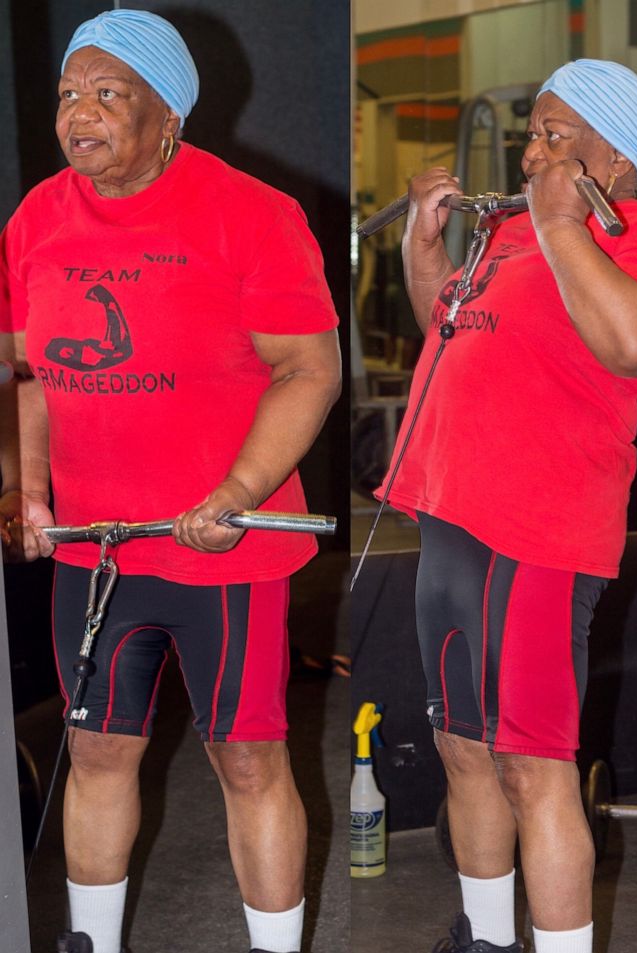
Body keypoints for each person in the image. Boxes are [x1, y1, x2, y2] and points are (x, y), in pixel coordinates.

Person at [0, 11, 341, 953]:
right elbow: (26, 372)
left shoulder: (254, 214)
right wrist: (27, 490)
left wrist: (237, 492)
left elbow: (309, 370)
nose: (81, 115)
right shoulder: (36, 219)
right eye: (71, 92)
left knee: (247, 758)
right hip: (97, 551)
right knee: (101, 750)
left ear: (168, 117)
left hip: (223, 547)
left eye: (110, 95)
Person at [378, 59, 637, 953]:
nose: (531, 155)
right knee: (461, 748)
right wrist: (424, 248)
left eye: (555, 138)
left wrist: (565, 226)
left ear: (615, 159)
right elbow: (453, 326)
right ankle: (486, 937)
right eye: (534, 134)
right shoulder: (516, 236)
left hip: (537, 533)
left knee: (533, 765)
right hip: (450, 519)